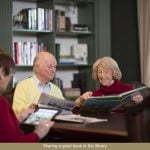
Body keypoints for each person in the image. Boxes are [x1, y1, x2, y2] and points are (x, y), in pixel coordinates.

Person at [0, 51, 54, 142]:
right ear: (1, 72)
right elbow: (13, 145)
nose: (10, 78)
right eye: (11, 73)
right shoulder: (2, 103)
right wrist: (38, 133)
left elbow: (5, 132)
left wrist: (19, 118)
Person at [75, 56, 143, 107]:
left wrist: (140, 100)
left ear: (113, 73)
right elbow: (75, 107)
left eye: (106, 72)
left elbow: (141, 105)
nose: (102, 75)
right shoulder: (94, 95)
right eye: (99, 72)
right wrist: (82, 99)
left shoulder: (128, 89)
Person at [13, 51, 64, 116]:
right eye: (49, 67)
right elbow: (15, 111)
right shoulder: (22, 86)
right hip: (29, 125)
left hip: (53, 124)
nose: (53, 70)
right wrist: (31, 107)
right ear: (37, 68)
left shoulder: (56, 89)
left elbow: (64, 110)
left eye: (55, 67)